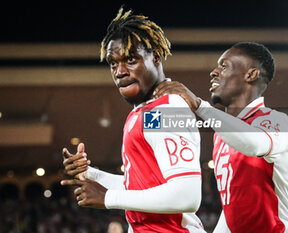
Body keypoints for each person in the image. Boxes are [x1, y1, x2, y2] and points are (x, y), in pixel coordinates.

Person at [60, 7, 205, 233]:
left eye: (130, 59)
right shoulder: (141, 112)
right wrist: (90, 173)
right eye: (113, 63)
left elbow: (187, 195)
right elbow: (139, 186)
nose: (119, 71)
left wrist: (108, 198)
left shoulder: (167, 109)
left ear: (156, 56)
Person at [153, 42, 288, 233]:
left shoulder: (276, 121)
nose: (214, 72)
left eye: (224, 66)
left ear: (251, 74)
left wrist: (199, 106)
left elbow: (253, 144)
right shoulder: (221, 136)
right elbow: (232, 208)